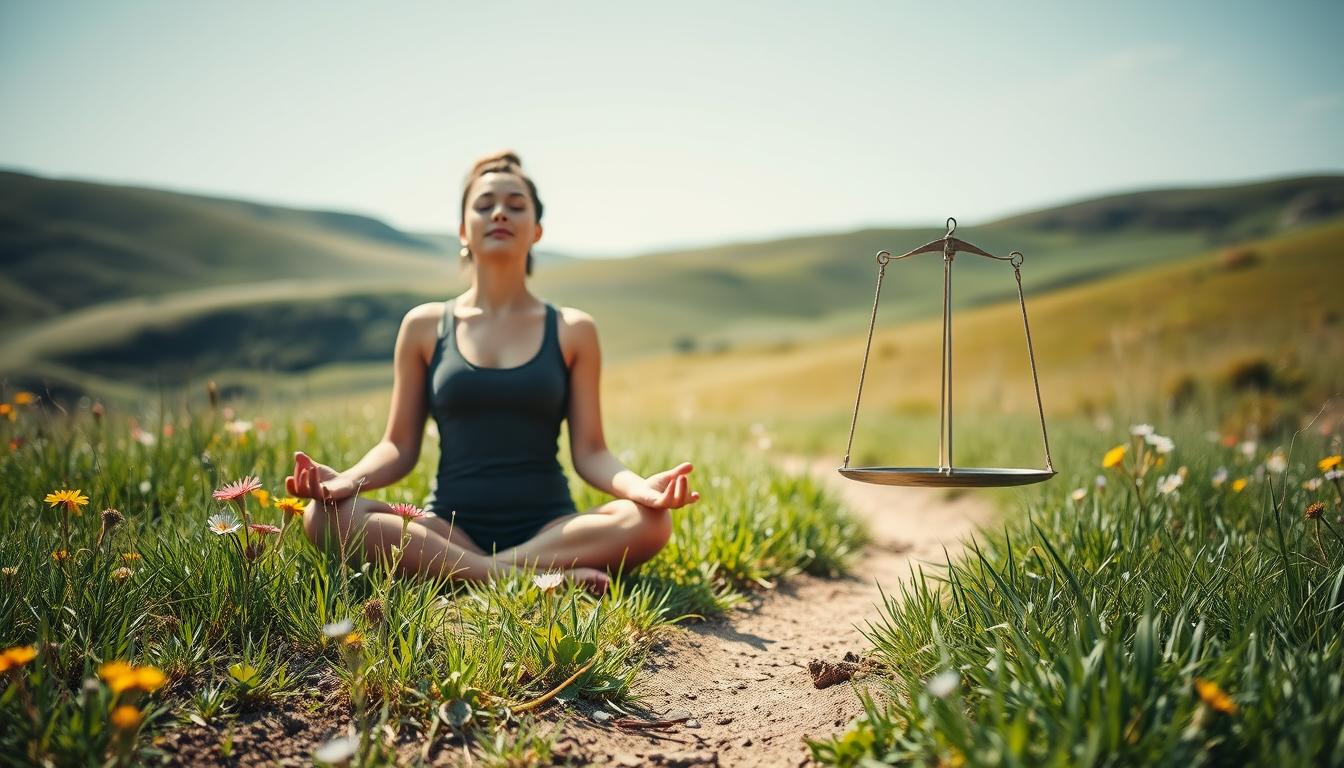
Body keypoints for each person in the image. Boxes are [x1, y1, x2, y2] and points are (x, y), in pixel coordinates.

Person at [290, 151, 698, 593]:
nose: (500, 212)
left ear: (536, 231)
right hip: (448, 529)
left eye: (516, 205)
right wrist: (348, 480)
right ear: (463, 228)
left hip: (551, 532)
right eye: (484, 205)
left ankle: (475, 573)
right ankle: (522, 580)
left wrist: (641, 490)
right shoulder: (425, 326)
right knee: (326, 517)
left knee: (652, 523)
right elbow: (398, 446)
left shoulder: (573, 330)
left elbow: (592, 452)